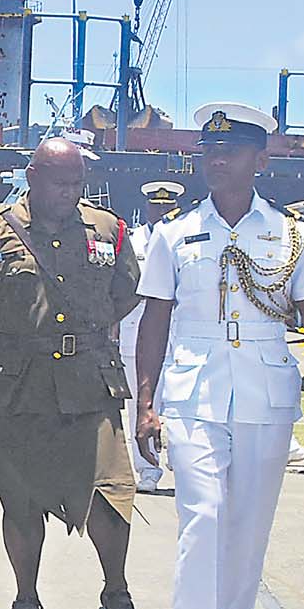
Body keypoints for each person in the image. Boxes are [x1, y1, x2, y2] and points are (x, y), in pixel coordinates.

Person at [134, 103, 304, 609]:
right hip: (193, 390)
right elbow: (155, 318)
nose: (216, 160)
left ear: (261, 160)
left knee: (248, 527)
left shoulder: (291, 236)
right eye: (209, 150)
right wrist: (145, 403)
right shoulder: (174, 234)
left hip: (266, 389)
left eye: (230, 151)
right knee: (202, 518)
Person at [0, 138, 145, 609]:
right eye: (60, 182)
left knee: (110, 492)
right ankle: (26, 599)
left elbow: (125, 290)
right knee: (20, 497)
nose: (69, 192)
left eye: (76, 182)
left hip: (88, 381)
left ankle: (116, 594)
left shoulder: (106, 229)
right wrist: (15, 335)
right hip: (17, 384)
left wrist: (81, 333)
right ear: (32, 177)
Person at [121, 180, 183, 492]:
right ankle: (147, 470)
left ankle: (183, 459)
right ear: (147, 207)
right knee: (141, 405)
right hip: (138, 334)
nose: (161, 212)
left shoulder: (185, 238)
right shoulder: (131, 243)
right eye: (156, 206)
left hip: (183, 335)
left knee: (184, 403)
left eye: (167, 207)